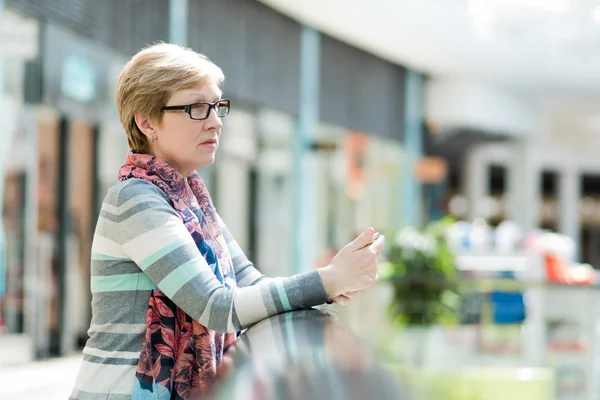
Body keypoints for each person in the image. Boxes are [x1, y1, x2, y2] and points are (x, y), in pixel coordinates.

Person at [69, 43, 385, 400]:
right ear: (146, 122)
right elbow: (216, 306)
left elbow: (249, 282)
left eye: (217, 107)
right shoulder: (136, 199)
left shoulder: (190, 199)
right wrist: (327, 281)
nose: (215, 121)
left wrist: (331, 279)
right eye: (197, 108)